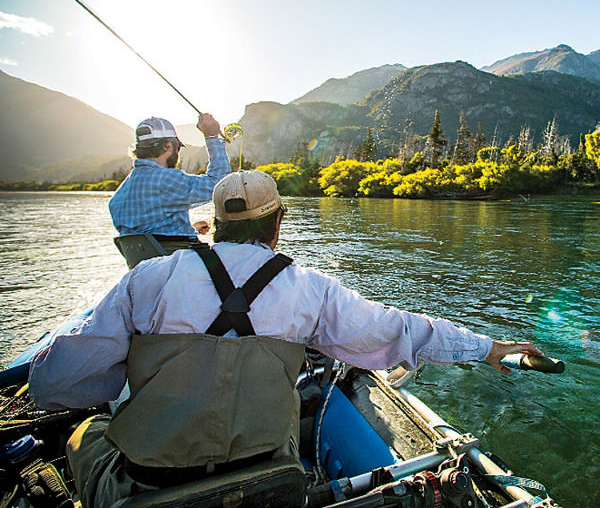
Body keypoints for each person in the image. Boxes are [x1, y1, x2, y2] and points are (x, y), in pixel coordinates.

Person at [29, 170, 543, 508]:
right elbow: (401, 330)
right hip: (272, 482)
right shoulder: (310, 292)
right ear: (278, 225)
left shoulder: (149, 279)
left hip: (148, 489)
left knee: (87, 432)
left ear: (212, 226)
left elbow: (54, 385)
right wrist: (489, 348)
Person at [108, 113, 230, 255]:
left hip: (145, 272)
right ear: (168, 146)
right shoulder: (166, 179)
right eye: (178, 147)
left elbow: (152, 241)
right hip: (180, 270)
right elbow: (221, 184)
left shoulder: (118, 197)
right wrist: (212, 137)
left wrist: (192, 229)